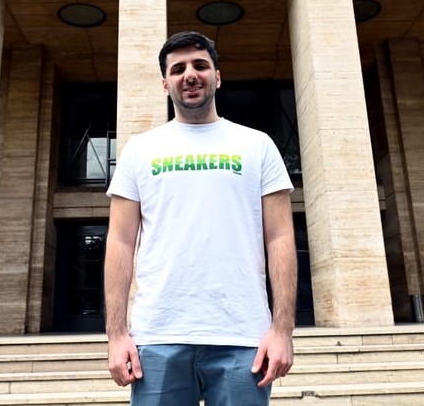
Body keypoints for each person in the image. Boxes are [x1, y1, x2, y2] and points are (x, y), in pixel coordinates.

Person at [104, 31, 297, 405]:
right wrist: (116, 335)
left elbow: (280, 239)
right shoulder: (140, 150)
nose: (189, 74)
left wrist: (282, 329)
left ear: (217, 77)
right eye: (178, 69)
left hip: (243, 339)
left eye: (200, 65)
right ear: (165, 84)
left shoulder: (257, 146)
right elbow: (120, 242)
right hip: (159, 338)